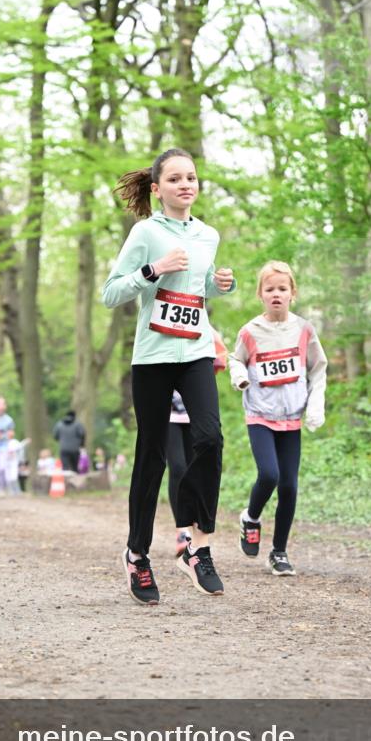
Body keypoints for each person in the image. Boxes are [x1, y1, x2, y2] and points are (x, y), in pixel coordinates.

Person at [102, 147, 235, 606]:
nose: (185, 185)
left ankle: (197, 547)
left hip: (195, 350)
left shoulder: (208, 235)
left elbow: (198, 290)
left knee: (210, 439)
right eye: (175, 179)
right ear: (158, 189)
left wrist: (220, 284)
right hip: (154, 355)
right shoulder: (145, 232)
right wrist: (153, 270)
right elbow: (110, 292)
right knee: (152, 456)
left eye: (191, 177)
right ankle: (137, 554)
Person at [229, 260, 327, 576]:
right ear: (260, 294)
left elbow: (318, 368)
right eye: (269, 289)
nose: (276, 294)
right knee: (269, 474)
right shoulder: (250, 331)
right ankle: (251, 517)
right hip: (260, 414)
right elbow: (235, 360)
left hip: (291, 417)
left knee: (289, 486)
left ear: (292, 293)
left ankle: (279, 552)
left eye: (282, 289)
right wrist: (240, 377)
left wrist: (315, 407)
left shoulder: (304, 330)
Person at [169, 328, 228, 558]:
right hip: (169, 414)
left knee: (194, 468)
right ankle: (181, 530)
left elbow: (220, 357)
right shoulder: (160, 322)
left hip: (195, 413)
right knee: (177, 468)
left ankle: (195, 526)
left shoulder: (205, 328)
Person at [5, 430, 30, 495]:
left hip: (14, 461)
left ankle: (17, 491)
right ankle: (11, 491)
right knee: (7, 477)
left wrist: (25, 442)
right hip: (6, 462)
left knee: (14, 477)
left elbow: (20, 446)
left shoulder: (14, 442)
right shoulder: (3, 442)